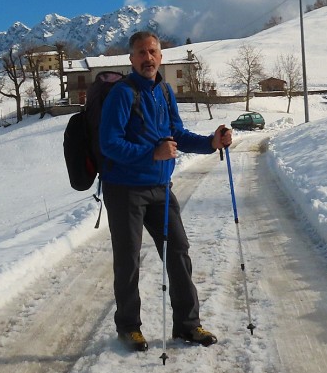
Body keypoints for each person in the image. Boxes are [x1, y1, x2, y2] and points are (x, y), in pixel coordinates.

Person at [98, 30, 233, 351]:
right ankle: (129, 327)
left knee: (178, 254)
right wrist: (150, 154)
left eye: (153, 52)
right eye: (141, 53)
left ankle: (187, 325)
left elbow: (176, 134)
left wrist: (210, 143)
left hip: (160, 187)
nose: (148, 58)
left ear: (161, 56)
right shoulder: (122, 94)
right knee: (128, 261)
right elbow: (109, 143)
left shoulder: (165, 91)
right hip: (124, 190)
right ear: (131, 59)